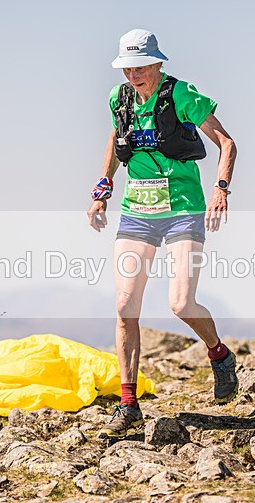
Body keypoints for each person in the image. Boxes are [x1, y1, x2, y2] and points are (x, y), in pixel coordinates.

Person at [87, 29, 238, 438]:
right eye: (127, 68)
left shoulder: (181, 95)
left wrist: (220, 189)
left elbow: (226, 142)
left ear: (158, 64)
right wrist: (103, 187)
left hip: (184, 210)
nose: (133, 74)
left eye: (140, 67)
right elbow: (115, 140)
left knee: (181, 303)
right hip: (138, 211)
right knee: (124, 306)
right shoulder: (119, 100)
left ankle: (219, 354)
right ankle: (128, 403)